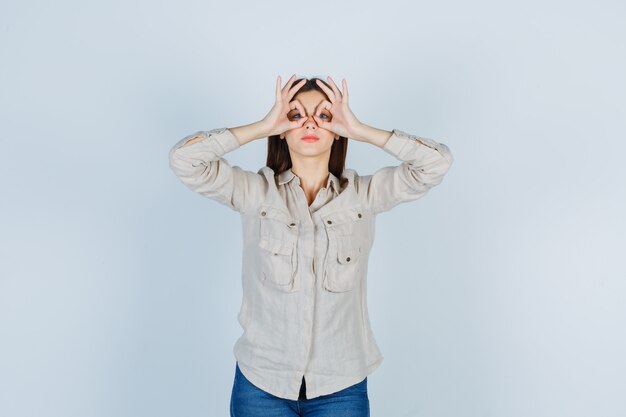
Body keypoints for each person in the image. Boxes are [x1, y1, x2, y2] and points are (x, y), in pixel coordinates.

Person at [168, 74, 454, 417]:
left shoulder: (363, 196)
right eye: (295, 115)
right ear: (283, 128)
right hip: (261, 383)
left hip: (341, 386)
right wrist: (263, 125)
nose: (309, 123)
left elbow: (436, 163)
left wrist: (360, 130)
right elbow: (185, 160)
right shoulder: (255, 193)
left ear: (337, 129)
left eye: (323, 115)